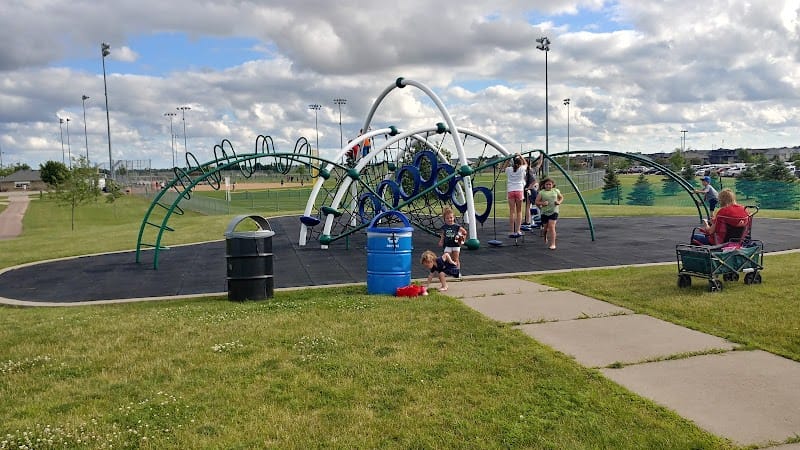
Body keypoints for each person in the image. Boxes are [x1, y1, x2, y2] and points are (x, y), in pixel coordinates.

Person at [535, 177, 564, 250]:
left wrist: (559, 202)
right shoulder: (541, 192)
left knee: (552, 227)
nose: (548, 186)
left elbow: (561, 197)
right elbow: (536, 202)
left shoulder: (556, 191)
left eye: (550, 184)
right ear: (544, 185)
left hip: (554, 211)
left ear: (552, 185)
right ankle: (545, 236)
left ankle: (553, 244)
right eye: (547, 184)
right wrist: (542, 204)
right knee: (546, 229)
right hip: (545, 212)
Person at [504, 153, 527, 237]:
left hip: (511, 190)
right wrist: (520, 155)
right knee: (519, 211)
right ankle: (518, 230)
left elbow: (504, 167)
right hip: (519, 190)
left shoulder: (509, 169)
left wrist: (508, 159)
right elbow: (526, 164)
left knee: (512, 212)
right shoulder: (521, 168)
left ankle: (511, 231)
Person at [523, 153, 543, 227]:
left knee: (529, 205)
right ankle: (536, 220)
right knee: (536, 204)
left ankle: (529, 221)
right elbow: (539, 164)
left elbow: (534, 181)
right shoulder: (533, 170)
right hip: (534, 188)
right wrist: (541, 156)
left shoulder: (528, 172)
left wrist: (528, 188)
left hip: (531, 189)